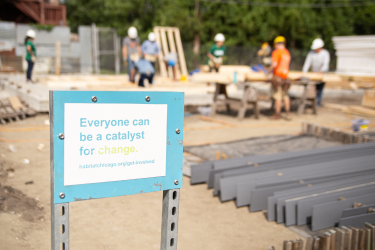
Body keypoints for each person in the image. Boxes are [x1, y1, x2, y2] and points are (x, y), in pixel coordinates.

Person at [267, 36, 292, 120]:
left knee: (278, 96)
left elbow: (274, 64)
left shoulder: (277, 52)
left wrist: (267, 72)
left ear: (276, 44)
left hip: (277, 77)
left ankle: (277, 114)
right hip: (285, 77)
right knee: (285, 96)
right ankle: (288, 114)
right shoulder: (286, 52)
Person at [302, 38, 330, 107]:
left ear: (320, 47)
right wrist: (304, 72)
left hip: (322, 74)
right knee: (314, 88)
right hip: (314, 75)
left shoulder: (325, 53)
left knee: (320, 89)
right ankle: (314, 102)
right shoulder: (311, 53)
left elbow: (326, 65)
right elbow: (307, 63)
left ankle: (318, 103)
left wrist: (321, 71)